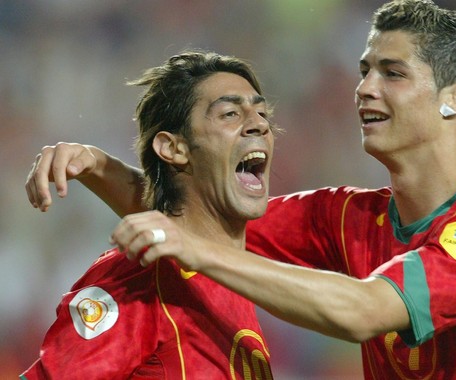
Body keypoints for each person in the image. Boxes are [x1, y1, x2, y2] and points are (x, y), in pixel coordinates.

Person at [25, 1, 456, 379]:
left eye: (392, 73)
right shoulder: (349, 220)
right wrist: (98, 166)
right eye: (363, 70)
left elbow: (363, 311)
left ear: (454, 99)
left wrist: (191, 246)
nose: (364, 88)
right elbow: (202, 212)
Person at [21, 50, 278, 379]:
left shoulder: (232, 284)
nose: (258, 124)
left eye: (261, 113)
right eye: (230, 113)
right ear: (174, 148)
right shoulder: (140, 280)